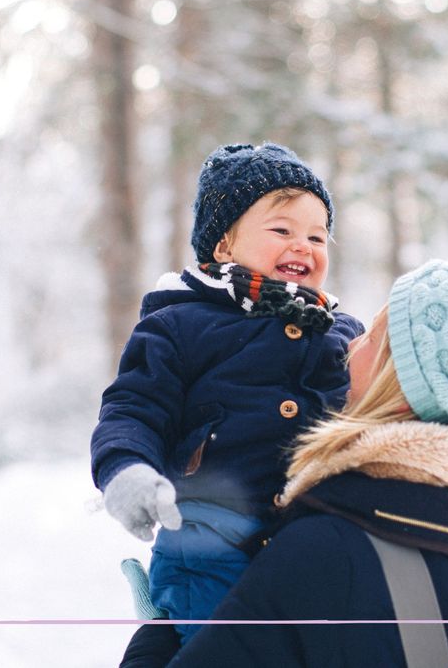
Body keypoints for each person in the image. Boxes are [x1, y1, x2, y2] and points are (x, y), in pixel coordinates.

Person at [120, 257, 448, 667]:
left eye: (374, 336)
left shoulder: (328, 554)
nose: (349, 346)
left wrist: (160, 634)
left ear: (405, 386)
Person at [91, 143, 365, 642]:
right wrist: (125, 468)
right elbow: (134, 407)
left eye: (317, 236)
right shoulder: (181, 324)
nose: (303, 246)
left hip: (317, 537)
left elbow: (378, 409)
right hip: (207, 538)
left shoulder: (342, 332)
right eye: (282, 230)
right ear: (223, 246)